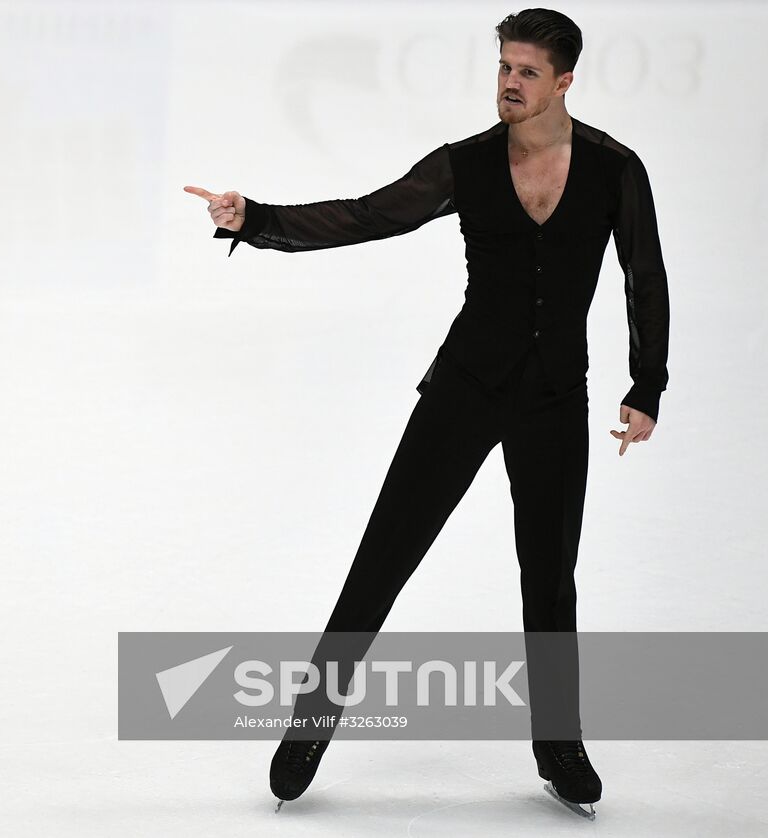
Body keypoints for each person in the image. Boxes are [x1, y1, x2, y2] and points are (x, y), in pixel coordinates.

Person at [186, 8, 668, 816]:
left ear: (565, 81)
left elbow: (643, 274)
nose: (509, 84)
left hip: (553, 397)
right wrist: (258, 219)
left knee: (550, 583)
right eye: (504, 68)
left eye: (527, 72)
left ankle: (560, 748)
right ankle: (309, 726)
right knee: (384, 557)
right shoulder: (466, 165)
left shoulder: (615, 169)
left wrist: (644, 385)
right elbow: (369, 215)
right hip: (466, 389)